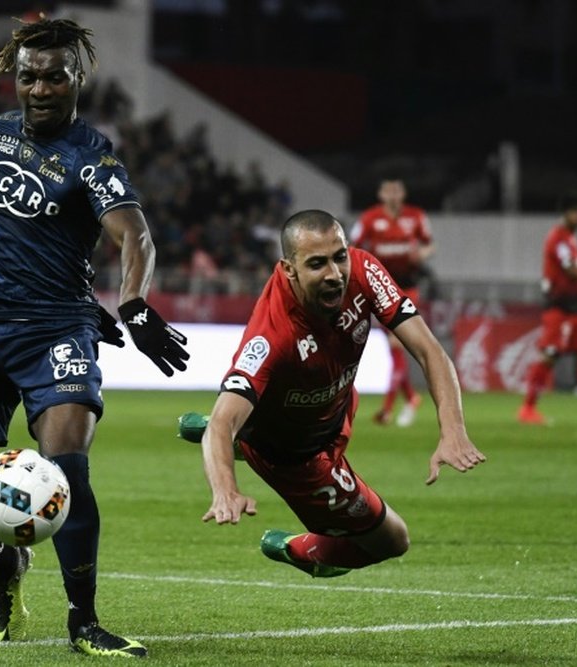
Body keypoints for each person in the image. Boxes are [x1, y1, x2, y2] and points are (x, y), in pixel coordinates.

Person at [0, 17, 188, 659]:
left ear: (77, 80)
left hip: (56, 334)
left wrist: (129, 302)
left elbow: (135, 235)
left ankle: (84, 623)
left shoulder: (93, 157)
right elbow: (13, 234)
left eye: (55, 76)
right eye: (30, 76)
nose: (41, 88)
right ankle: (3, 567)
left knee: (67, 468)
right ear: (13, 78)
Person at [182, 210, 484, 578]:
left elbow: (429, 350)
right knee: (393, 540)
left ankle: (238, 442)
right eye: (316, 264)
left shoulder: (364, 270)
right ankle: (299, 549)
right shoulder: (272, 335)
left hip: (336, 403)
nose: (336, 273)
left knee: (239, 424)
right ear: (289, 269)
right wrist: (225, 490)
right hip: (297, 457)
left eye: (339, 256)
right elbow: (223, 419)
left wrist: (452, 430)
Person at [350, 179, 435, 426]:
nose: (393, 195)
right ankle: (411, 397)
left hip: (408, 288)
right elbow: (352, 248)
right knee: (393, 347)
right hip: (380, 287)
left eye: (397, 191)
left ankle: (387, 409)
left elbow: (430, 244)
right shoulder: (369, 218)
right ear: (381, 194)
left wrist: (423, 253)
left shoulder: (416, 216)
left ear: (403, 193)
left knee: (396, 343)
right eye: (389, 191)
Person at [517, 193, 577, 424]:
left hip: (574, 309)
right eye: (575, 212)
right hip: (559, 308)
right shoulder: (559, 238)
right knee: (549, 355)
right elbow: (570, 271)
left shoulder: (571, 238)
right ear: (565, 213)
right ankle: (527, 408)